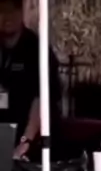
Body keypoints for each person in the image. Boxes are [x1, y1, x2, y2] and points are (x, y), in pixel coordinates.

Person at [0, 0, 61, 159]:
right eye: (2, 11)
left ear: (21, 13)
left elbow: (42, 99)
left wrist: (26, 141)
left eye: (12, 11)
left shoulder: (37, 50)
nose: (7, 17)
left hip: (33, 142)